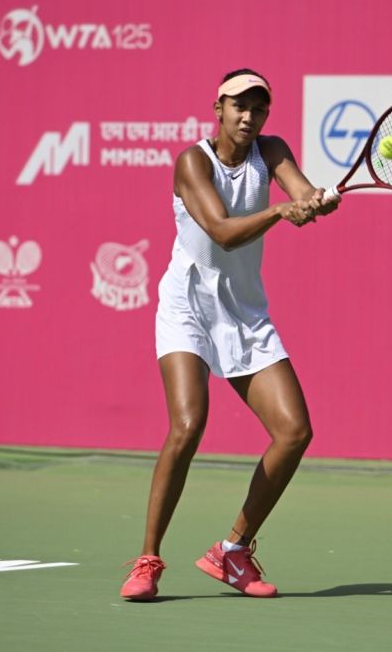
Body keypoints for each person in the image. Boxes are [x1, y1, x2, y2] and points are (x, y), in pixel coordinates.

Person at [120, 68, 339, 601]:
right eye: (239, 105)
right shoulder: (192, 162)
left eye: (259, 108)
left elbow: (300, 193)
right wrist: (282, 211)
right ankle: (148, 559)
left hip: (243, 312)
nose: (249, 116)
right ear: (218, 108)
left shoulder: (272, 150)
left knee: (295, 431)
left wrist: (315, 202)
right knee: (188, 425)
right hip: (187, 308)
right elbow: (220, 232)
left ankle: (232, 551)